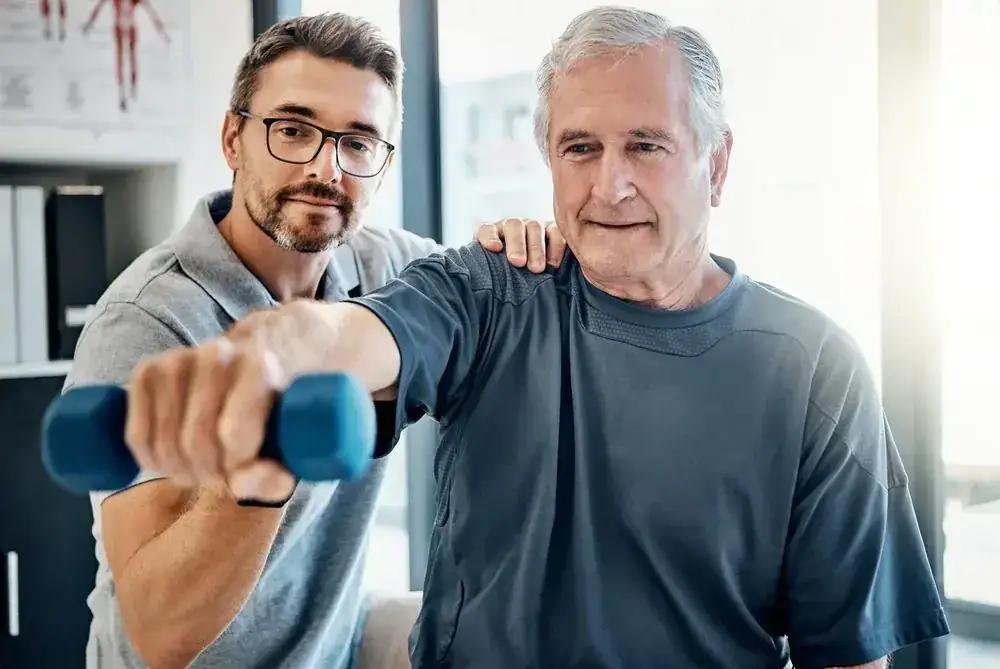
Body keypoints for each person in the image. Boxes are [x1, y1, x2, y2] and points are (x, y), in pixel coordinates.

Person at [95, 6, 952, 669]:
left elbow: (848, 650)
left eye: (645, 146)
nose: (608, 184)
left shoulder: (814, 365)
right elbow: (360, 332)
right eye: (579, 147)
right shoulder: (489, 289)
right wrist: (261, 354)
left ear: (716, 164)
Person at [65, 12, 564, 669]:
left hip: (335, 647)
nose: (326, 168)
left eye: (358, 143)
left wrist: (522, 249)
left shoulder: (386, 270)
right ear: (233, 138)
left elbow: (487, 302)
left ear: (382, 166)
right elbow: (160, 633)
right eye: (293, 130)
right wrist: (261, 459)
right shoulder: (145, 323)